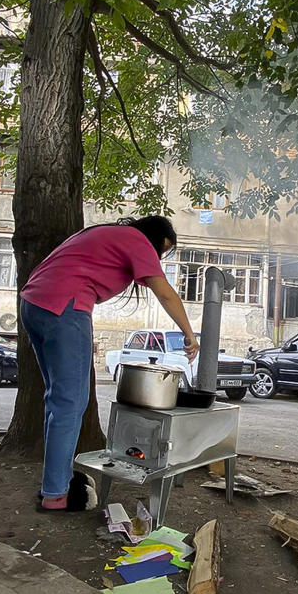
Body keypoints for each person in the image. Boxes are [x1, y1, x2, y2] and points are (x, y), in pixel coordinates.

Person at [20, 216, 199, 512]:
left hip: (34, 304)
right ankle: (55, 495)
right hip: (65, 307)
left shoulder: (104, 233)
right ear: (151, 238)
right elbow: (164, 292)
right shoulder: (136, 240)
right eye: (160, 249)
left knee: (58, 400)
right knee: (70, 403)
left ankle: (58, 480)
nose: (156, 257)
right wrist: (190, 336)